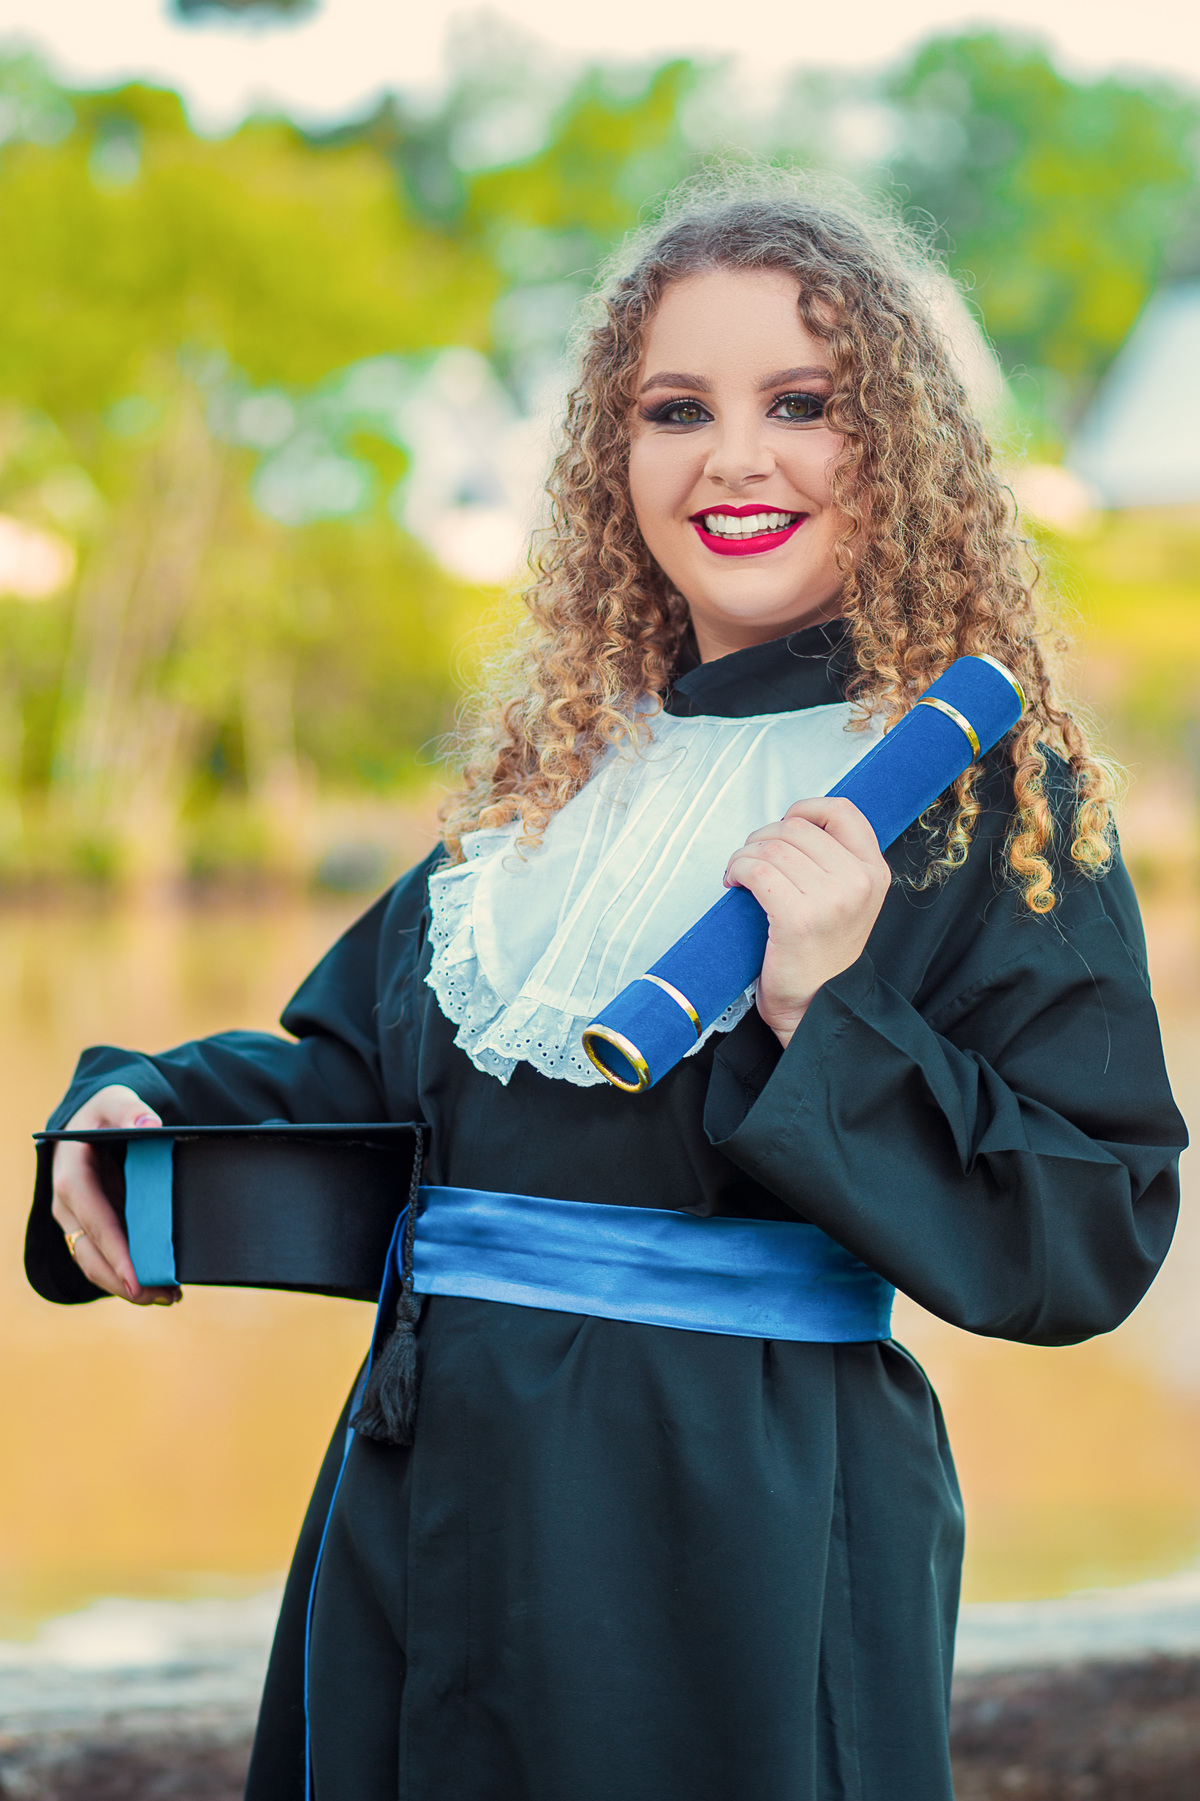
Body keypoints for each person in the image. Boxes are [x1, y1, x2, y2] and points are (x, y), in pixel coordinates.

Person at [28, 173, 1187, 1801]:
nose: (734, 457)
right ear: (610, 457)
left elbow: (1092, 1229)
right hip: (426, 1499)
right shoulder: (554, 788)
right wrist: (140, 1105)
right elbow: (352, 1076)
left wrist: (826, 1008)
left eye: (804, 404)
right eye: (675, 408)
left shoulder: (979, 804)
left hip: (743, 1536)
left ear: (903, 447)